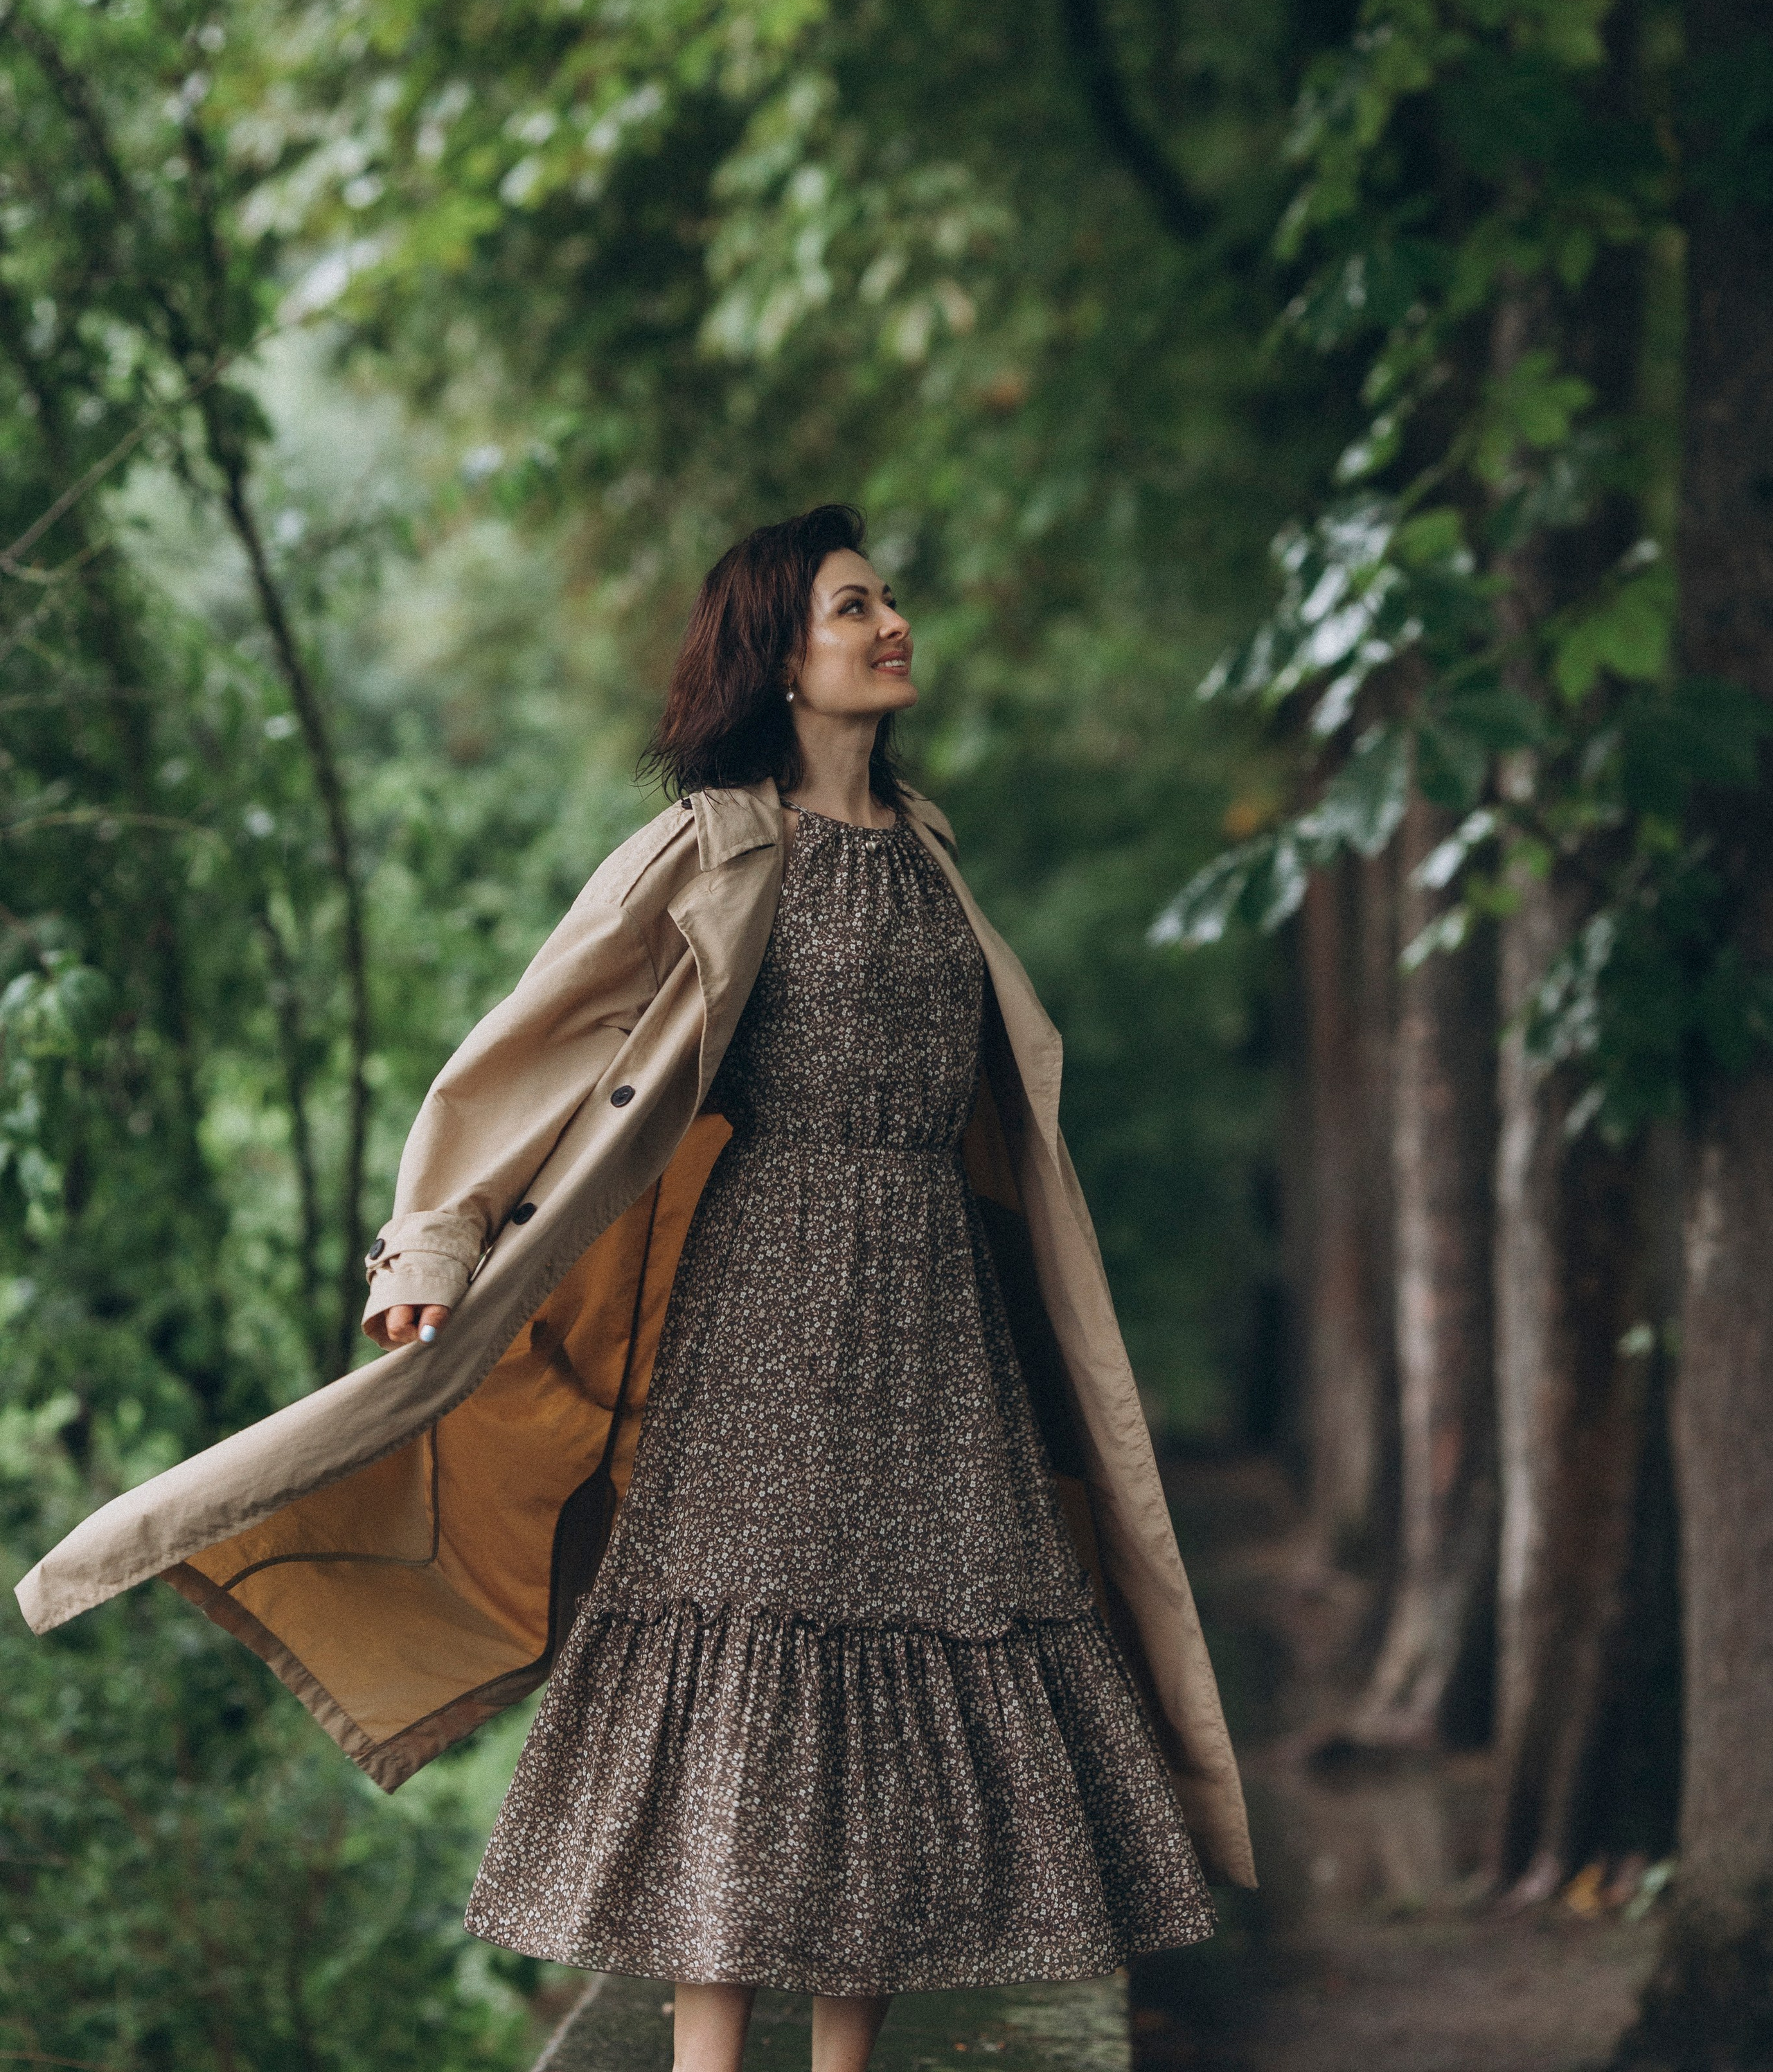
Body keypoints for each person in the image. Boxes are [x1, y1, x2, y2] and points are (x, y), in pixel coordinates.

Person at [372, 504, 1235, 2072]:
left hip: (933, 1312)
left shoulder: (927, 848)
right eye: (853, 607)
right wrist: (432, 1245)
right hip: (769, 1298)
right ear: (777, 659)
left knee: (915, 1645)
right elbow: (526, 1045)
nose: (889, 622)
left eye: (888, 599)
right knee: (754, 1673)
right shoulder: (708, 844)